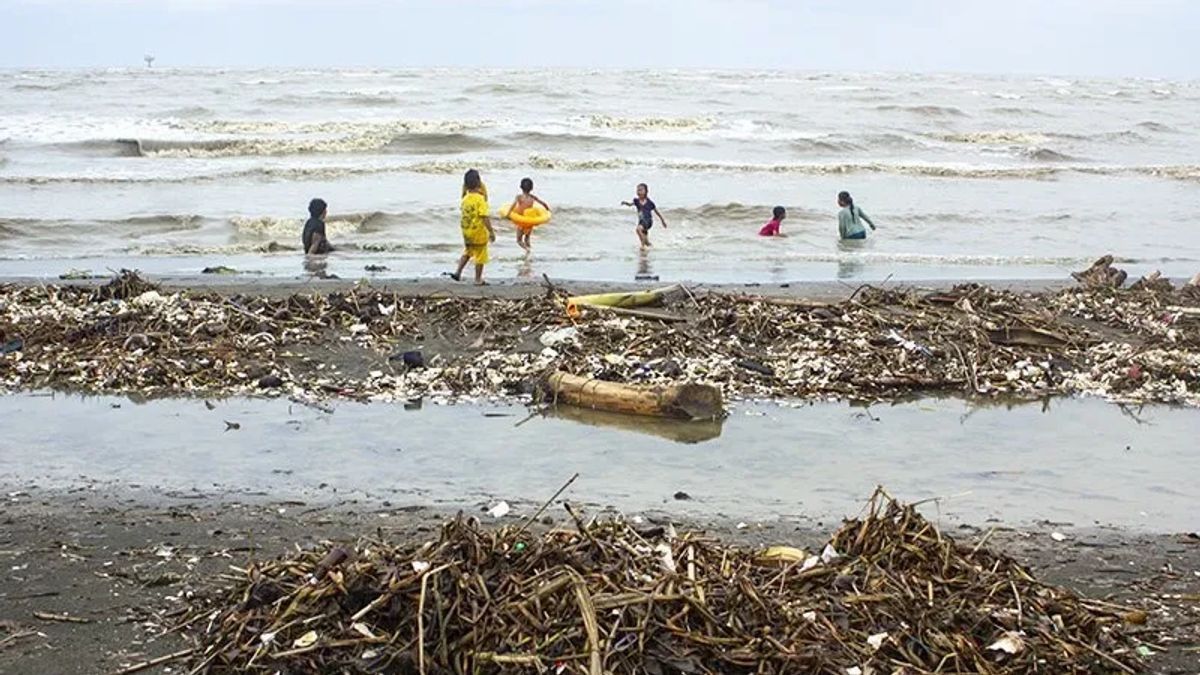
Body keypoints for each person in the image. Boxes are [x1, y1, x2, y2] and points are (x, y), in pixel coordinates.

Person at [451, 169, 496, 285]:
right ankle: (477, 279)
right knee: (481, 255)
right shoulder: (480, 199)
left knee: (468, 252)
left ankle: (458, 272)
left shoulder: (465, 199)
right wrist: (491, 231)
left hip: (466, 232)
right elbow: (484, 217)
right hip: (478, 232)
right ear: (479, 183)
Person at [507, 177, 551, 252]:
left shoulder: (519, 197)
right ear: (532, 188)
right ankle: (529, 252)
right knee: (527, 238)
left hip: (522, 221)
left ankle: (527, 250)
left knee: (519, 240)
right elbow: (544, 203)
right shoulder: (532, 197)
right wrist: (548, 210)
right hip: (529, 221)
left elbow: (512, 206)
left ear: (520, 187)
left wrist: (508, 215)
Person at [621, 183, 667, 248]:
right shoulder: (636, 201)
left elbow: (657, 212)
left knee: (638, 230)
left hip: (648, 221)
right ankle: (651, 247)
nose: (638, 192)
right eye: (637, 190)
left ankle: (642, 247)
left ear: (646, 191)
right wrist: (625, 203)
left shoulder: (650, 203)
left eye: (641, 190)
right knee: (646, 241)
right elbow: (630, 204)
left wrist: (663, 221)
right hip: (641, 221)